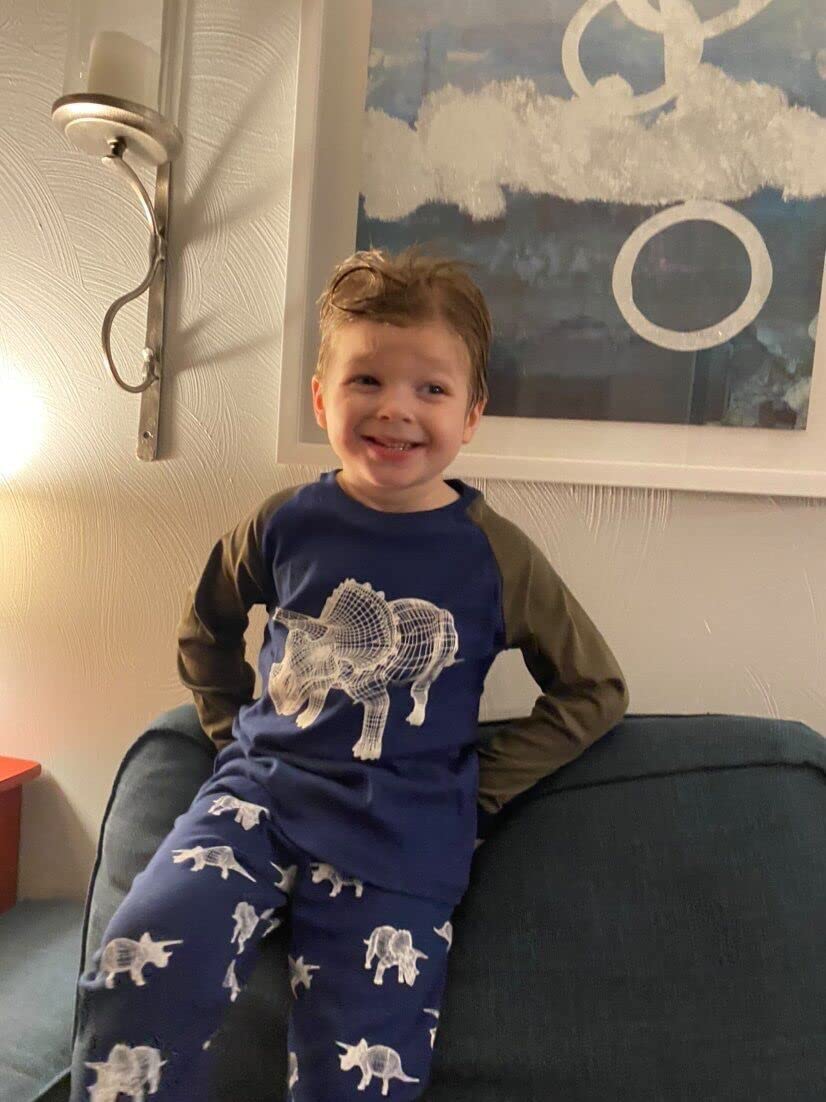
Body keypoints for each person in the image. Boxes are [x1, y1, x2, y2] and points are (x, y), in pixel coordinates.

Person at [70, 246, 629, 1101]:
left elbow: (595, 689)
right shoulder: (282, 523)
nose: (395, 408)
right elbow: (205, 627)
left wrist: (480, 788)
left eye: (430, 388)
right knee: (133, 965)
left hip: (400, 838)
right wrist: (229, 733)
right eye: (367, 380)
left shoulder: (496, 556)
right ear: (322, 398)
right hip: (255, 803)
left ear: (471, 414)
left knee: (356, 1076)